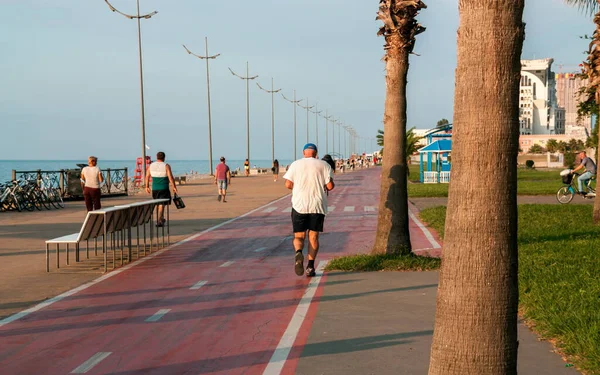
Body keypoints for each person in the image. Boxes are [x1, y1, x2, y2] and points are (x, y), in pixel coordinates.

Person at [284, 143, 335, 277]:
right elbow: (329, 186)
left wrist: (299, 188)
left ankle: (298, 253)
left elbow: (288, 184)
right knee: (313, 236)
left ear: (303, 153)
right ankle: (310, 267)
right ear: (316, 153)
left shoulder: (295, 164)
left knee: (299, 236)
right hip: (317, 205)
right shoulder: (324, 165)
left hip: (299, 205)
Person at [145, 151, 177, 227]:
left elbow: (147, 176)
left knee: (159, 204)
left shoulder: (151, 166)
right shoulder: (166, 166)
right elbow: (170, 177)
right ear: (164, 158)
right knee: (161, 205)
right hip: (164, 188)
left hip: (155, 189)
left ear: (156, 157)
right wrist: (174, 187)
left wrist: (147, 187)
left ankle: (161, 218)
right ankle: (159, 221)